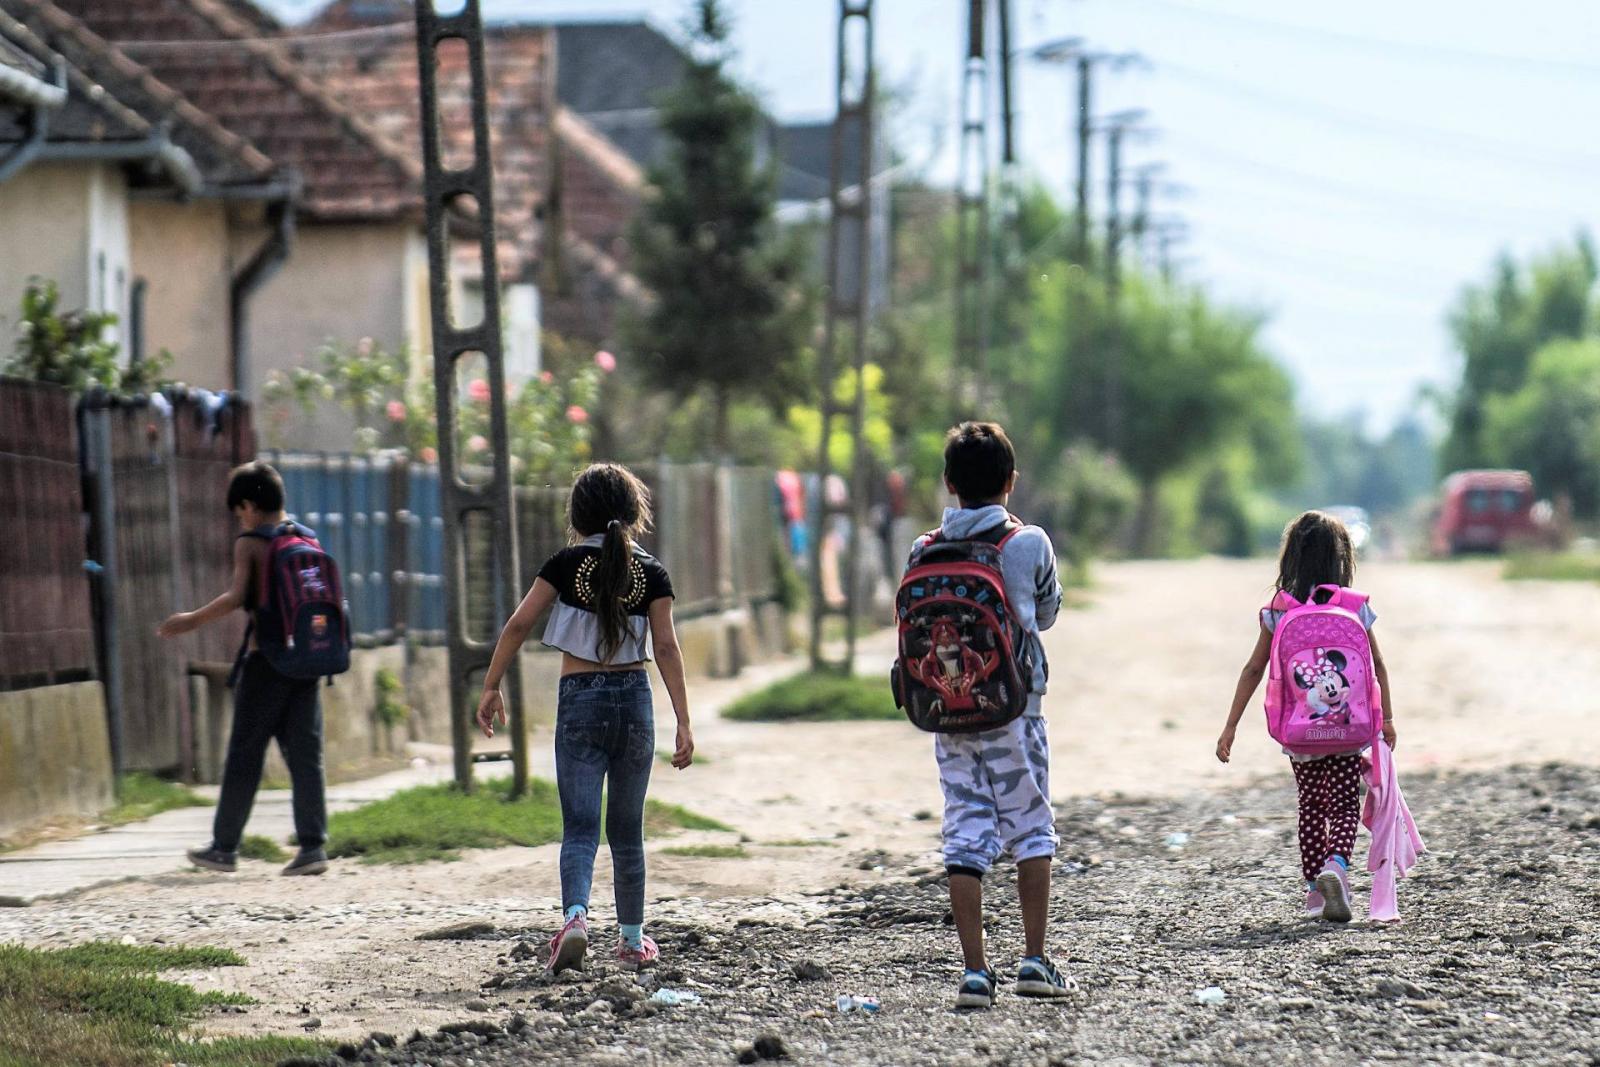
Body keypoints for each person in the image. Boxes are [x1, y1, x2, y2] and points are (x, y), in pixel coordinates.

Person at [477, 463, 693, 972]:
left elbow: (518, 625)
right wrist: (683, 720)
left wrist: (491, 686)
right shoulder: (651, 572)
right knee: (626, 830)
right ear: (634, 512)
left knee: (579, 828)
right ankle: (633, 940)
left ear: (578, 514)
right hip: (634, 702)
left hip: (579, 699)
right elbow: (665, 646)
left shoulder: (566, 564)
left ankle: (575, 920)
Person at [911, 421, 1069, 1009]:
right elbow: (1046, 614)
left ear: (949, 483)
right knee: (1031, 824)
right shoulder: (1028, 543)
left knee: (964, 826)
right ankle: (1034, 960)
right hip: (1013, 705)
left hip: (947, 710)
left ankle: (975, 972)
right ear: (1011, 481)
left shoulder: (922, 549)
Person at [1215, 510, 1398, 922]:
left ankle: (1316, 890)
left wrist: (1231, 726)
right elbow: (1379, 666)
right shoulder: (1355, 607)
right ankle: (1337, 865)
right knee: (1345, 803)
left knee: (1313, 806)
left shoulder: (1279, 610)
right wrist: (1386, 719)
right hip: (1351, 729)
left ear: (1291, 559)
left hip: (1302, 734)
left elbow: (1253, 668)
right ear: (1342, 560)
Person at [157, 461, 330, 877]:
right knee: (306, 756)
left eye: (239, 511)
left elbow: (237, 597)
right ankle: (313, 847)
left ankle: (223, 847)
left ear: (249, 506)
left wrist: (190, 620)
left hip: (266, 662)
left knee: (244, 755)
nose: (240, 518)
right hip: (306, 663)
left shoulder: (252, 542)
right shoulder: (307, 537)